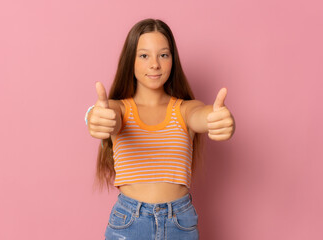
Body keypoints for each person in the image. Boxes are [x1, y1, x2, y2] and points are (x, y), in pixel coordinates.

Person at [85, 18, 235, 240]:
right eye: (144, 55)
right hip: (129, 223)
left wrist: (218, 118)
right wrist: (93, 116)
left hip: (180, 223)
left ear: (172, 60)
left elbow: (201, 115)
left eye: (163, 55)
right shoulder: (120, 109)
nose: (154, 64)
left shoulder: (184, 109)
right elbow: (105, 116)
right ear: (131, 61)